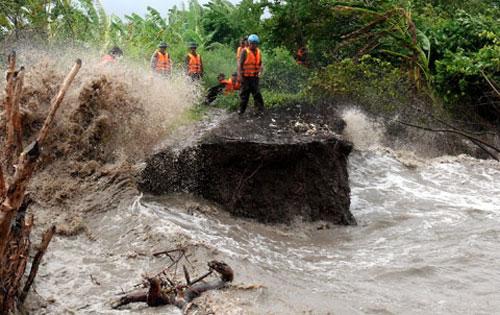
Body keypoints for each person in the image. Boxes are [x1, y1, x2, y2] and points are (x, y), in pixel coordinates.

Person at [237, 34, 264, 115]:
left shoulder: (258, 51)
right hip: (245, 77)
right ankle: (241, 111)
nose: (253, 45)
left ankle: (259, 111)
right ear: (248, 43)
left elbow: (259, 62)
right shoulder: (244, 51)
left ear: (257, 43)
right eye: (251, 43)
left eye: (255, 43)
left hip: (255, 77)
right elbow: (240, 64)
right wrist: (240, 76)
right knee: (244, 95)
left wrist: (261, 65)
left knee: (257, 94)